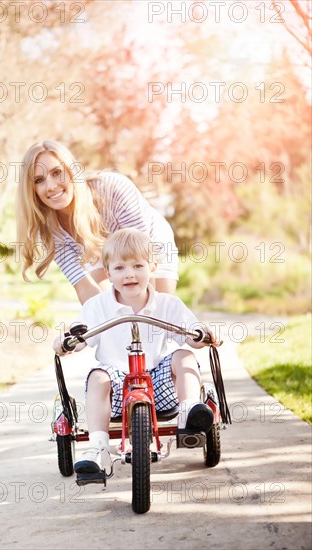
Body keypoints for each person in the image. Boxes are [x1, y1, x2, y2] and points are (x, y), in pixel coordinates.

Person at [53, 228, 220, 476]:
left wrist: (203, 334)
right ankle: (98, 448)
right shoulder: (98, 306)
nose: (129, 274)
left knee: (184, 356)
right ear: (108, 273)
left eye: (138, 266)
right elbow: (81, 337)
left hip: (161, 385)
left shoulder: (167, 304)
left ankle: (189, 414)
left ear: (152, 267)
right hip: (116, 388)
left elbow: (190, 334)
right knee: (98, 376)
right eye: (119, 268)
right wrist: (66, 341)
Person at [16, 140, 178, 304]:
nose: (50, 186)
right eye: (39, 180)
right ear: (31, 189)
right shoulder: (48, 227)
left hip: (149, 245)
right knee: (104, 306)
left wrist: (148, 316)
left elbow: (143, 262)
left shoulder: (113, 188)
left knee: (159, 308)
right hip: (95, 250)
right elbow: (83, 286)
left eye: (57, 172)